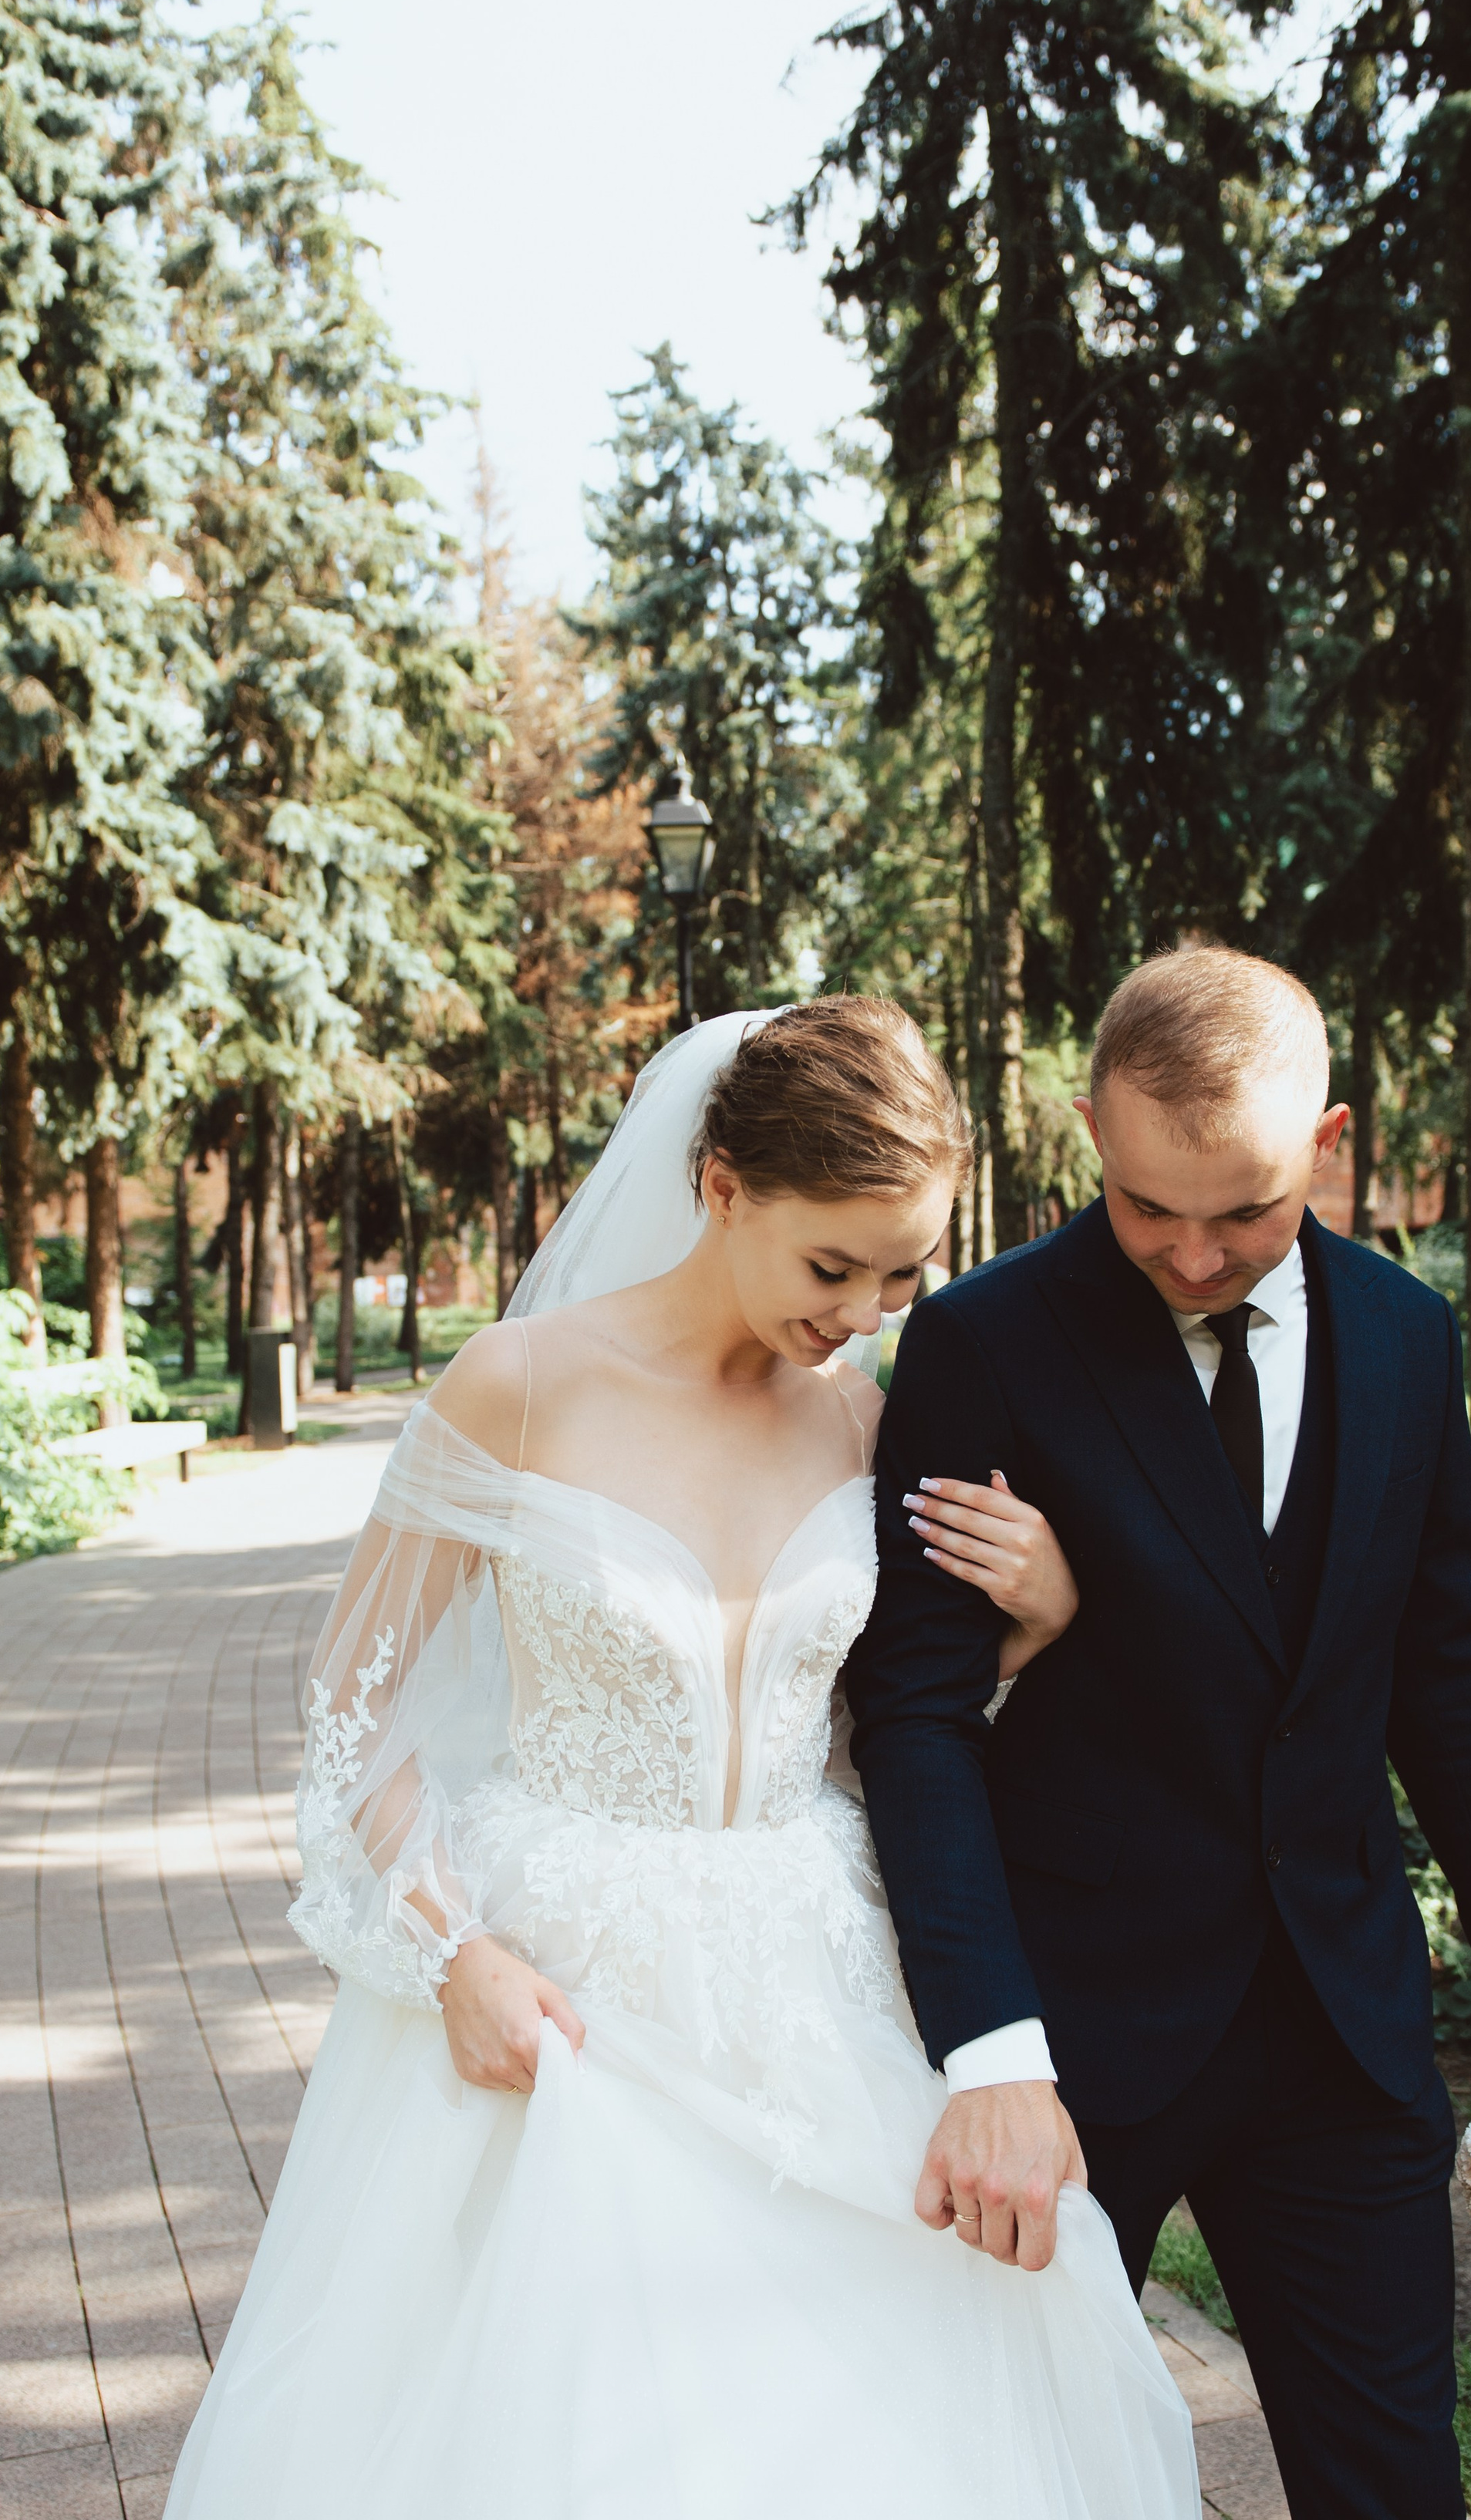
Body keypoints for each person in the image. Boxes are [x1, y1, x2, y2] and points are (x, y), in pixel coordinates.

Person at [164, 999, 1199, 2520]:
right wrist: (454, 1951)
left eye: (901, 1270)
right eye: (828, 1262)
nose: (859, 1306)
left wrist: (1031, 1626)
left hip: (813, 1973)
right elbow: (353, 1714)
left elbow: (872, 1730)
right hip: (567, 1992)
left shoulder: (859, 1421)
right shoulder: (517, 1386)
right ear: (719, 1186)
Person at [850, 946, 1471, 2520]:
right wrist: (987, 2048)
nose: (1192, 1254)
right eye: (1145, 1207)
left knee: (1393, 2477)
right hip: (1068, 2039)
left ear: (1325, 1144)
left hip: (1337, 2018)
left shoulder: (1406, 1335)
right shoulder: (985, 1342)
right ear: (1087, 1130)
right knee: (1019, 2478)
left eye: (1243, 1210)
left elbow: (1436, 1664)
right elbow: (916, 1708)